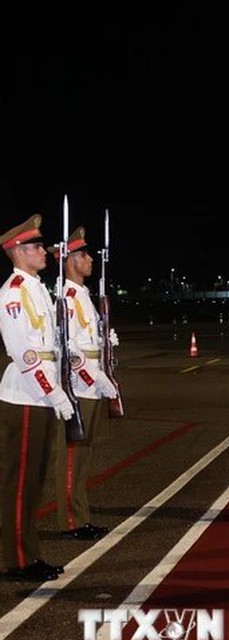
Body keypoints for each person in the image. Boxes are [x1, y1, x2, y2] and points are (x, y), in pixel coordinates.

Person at [0, 215, 71, 582]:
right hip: (26, 394)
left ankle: (28, 554)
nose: (44, 250)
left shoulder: (37, 288)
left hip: (39, 395)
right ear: (17, 251)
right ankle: (18, 560)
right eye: (36, 246)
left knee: (33, 482)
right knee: (19, 482)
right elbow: (23, 352)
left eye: (42, 245)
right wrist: (53, 390)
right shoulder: (14, 291)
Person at [48, 227, 118, 541]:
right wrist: (95, 376)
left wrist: (106, 343)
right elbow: (68, 347)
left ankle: (81, 515)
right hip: (78, 384)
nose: (91, 259)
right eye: (84, 255)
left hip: (90, 382)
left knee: (84, 453)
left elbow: (87, 340)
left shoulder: (83, 295)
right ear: (70, 260)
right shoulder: (66, 295)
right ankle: (70, 521)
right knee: (72, 454)